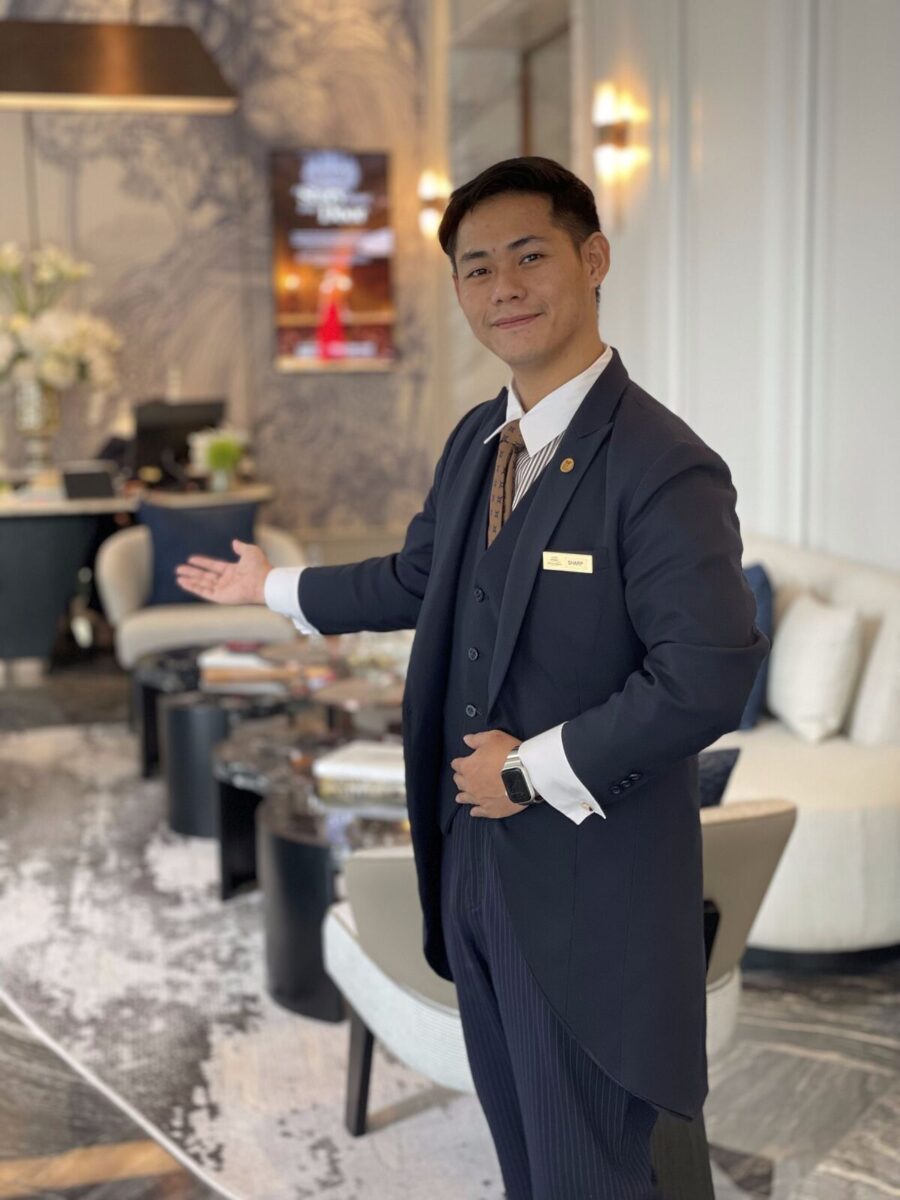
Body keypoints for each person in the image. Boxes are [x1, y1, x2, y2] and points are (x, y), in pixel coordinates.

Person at [176, 156, 768, 1200]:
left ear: (594, 259)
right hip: (472, 869)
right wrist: (274, 587)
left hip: (589, 897)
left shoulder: (662, 464)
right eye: (477, 269)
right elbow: (423, 575)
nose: (504, 288)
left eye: (530, 257)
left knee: (592, 1174)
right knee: (530, 1168)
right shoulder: (478, 440)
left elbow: (704, 681)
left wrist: (533, 769)